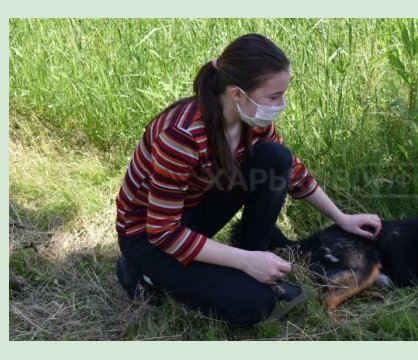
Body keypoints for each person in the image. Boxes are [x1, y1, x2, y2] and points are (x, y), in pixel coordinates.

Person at [115, 33, 382, 328]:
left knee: (276, 158)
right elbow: (163, 232)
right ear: (237, 94)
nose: (281, 104)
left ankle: (252, 256)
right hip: (149, 236)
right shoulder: (181, 136)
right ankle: (139, 272)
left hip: (192, 212)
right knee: (256, 305)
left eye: (283, 94)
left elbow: (290, 170)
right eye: (273, 97)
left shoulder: (250, 119)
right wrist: (243, 260)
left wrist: (341, 218)